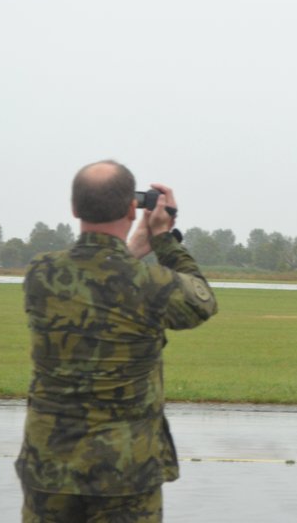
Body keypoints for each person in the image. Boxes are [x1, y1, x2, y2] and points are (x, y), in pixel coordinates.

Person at [15, 160, 219, 522]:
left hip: (49, 466)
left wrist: (131, 249)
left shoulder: (40, 273)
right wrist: (163, 241)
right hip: (125, 471)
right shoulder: (152, 283)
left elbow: (91, 274)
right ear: (131, 208)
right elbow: (201, 300)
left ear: (75, 208)